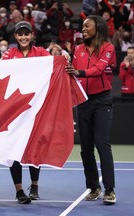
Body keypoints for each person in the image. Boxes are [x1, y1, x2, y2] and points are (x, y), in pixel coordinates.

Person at [65, 15, 117, 205]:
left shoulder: (108, 48)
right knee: (86, 148)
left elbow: (99, 69)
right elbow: (70, 73)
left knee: (102, 144)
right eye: (83, 26)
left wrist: (78, 72)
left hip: (102, 100)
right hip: (83, 101)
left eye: (87, 26)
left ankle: (110, 190)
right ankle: (94, 187)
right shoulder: (78, 49)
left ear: (98, 28)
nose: (83, 29)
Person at [1, 21, 50, 204]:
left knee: (35, 146)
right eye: (20, 34)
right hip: (14, 109)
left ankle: (35, 185)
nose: (23, 37)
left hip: (36, 107)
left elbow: (53, 65)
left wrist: (64, 57)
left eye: (26, 34)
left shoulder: (41, 53)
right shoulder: (9, 54)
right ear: (15, 36)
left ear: (31, 35)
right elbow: (2, 72)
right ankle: (19, 190)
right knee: (14, 149)